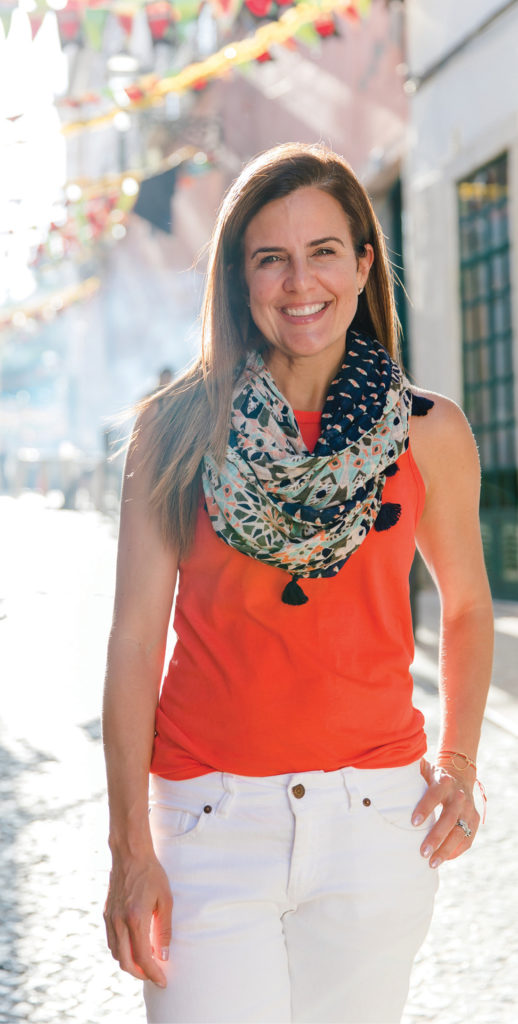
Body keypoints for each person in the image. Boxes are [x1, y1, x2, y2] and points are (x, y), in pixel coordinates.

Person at [102, 142, 494, 1024]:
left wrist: (461, 768)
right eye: (269, 257)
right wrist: (131, 847)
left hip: (374, 823)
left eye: (323, 251)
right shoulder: (175, 430)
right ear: (238, 278)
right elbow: (133, 641)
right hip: (207, 826)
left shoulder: (430, 433)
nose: (298, 281)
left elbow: (468, 606)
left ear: (362, 265)